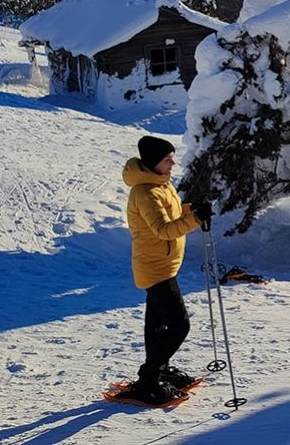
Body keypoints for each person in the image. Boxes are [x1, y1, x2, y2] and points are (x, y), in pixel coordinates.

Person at [117, 135, 213, 405]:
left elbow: (171, 214)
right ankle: (148, 380)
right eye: (167, 160)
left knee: (157, 323)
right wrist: (194, 220)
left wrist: (191, 209)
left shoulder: (161, 183)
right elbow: (163, 230)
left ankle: (160, 370)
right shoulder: (145, 193)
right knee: (179, 325)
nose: (173, 163)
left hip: (164, 265)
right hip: (154, 268)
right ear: (152, 163)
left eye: (172, 158)